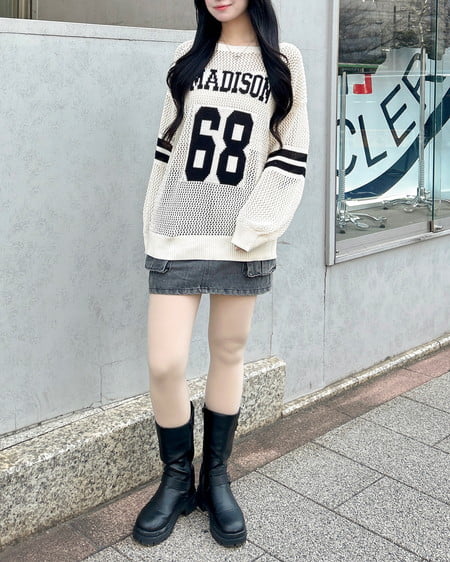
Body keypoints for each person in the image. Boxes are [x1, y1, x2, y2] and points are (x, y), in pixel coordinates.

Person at [133, 0, 309, 549]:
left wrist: (257, 226)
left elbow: (291, 152)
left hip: (242, 237)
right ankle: (176, 480)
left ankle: (215, 479)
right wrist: (154, 223)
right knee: (165, 363)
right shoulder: (185, 57)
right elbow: (165, 150)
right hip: (178, 229)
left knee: (228, 354)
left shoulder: (284, 61)